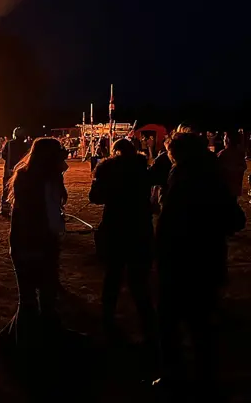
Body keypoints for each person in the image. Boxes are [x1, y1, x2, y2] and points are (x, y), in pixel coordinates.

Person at [155, 132, 244, 396]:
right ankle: (205, 378)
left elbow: (174, 222)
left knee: (172, 323)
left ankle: (177, 377)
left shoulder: (185, 178)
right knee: (202, 324)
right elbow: (234, 219)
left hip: (184, 261)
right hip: (206, 260)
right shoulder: (210, 177)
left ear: (178, 153)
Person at [0, 138, 68, 357]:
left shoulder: (29, 176)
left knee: (35, 298)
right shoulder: (39, 180)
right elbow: (44, 214)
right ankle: (28, 345)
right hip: (35, 242)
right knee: (38, 298)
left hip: (29, 242)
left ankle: (32, 342)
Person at [89, 139, 157, 363]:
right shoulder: (142, 169)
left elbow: (95, 197)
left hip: (117, 227)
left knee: (113, 275)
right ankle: (148, 327)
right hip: (140, 227)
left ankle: (108, 319)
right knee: (139, 280)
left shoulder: (108, 169)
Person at [0, 127, 30, 217]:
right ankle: (20, 209)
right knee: (21, 189)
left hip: (9, 170)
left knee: (7, 189)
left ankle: (5, 209)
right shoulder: (26, 145)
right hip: (22, 170)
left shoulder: (9, 144)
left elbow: (3, 156)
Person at [217, 130, 246, 199]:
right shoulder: (239, 153)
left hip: (226, 186)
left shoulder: (223, 154)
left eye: (224, 137)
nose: (223, 139)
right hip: (235, 186)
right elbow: (243, 166)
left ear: (227, 140)